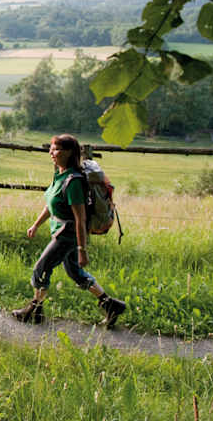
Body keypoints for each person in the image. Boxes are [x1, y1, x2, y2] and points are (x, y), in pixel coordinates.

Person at [12, 133, 126, 328]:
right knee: (75, 272)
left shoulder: (73, 182)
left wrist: (82, 250)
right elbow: (51, 204)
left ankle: (34, 310)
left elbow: (80, 219)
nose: (51, 152)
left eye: (56, 149)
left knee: (41, 269)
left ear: (69, 152)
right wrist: (36, 225)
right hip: (62, 231)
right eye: (51, 148)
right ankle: (111, 305)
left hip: (68, 235)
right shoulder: (60, 174)